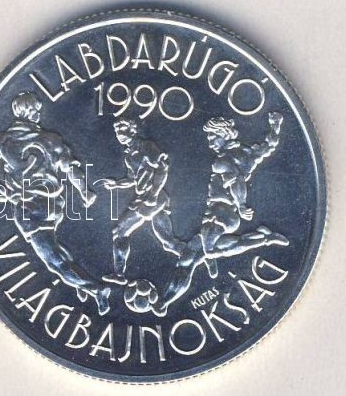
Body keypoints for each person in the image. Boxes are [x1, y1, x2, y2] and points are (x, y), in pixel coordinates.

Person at [0, 91, 111, 315]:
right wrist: (84, 191)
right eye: (35, 110)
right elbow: (71, 168)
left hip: (28, 207)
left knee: (53, 262)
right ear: (27, 111)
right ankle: (79, 282)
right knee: (55, 247)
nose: (38, 114)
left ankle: (96, 289)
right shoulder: (51, 139)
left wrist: (5, 190)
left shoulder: (3, 141)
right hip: (53, 205)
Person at [152, 112, 289, 316]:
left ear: (224, 134)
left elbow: (236, 182)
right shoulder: (248, 154)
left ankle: (263, 239)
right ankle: (165, 301)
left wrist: (241, 205)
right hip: (224, 215)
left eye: (213, 137)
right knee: (187, 259)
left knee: (208, 252)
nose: (210, 142)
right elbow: (268, 146)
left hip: (219, 214)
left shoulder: (222, 161)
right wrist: (275, 126)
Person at [98, 119, 184, 285]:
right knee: (168, 242)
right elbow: (133, 179)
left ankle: (119, 274)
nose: (119, 134)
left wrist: (153, 194)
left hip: (152, 198)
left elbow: (162, 168)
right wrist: (116, 184)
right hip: (146, 197)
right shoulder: (130, 154)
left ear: (133, 130)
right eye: (117, 132)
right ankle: (196, 255)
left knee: (120, 230)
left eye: (123, 130)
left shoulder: (147, 147)